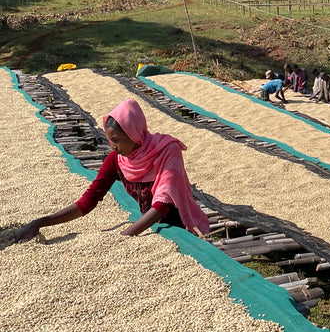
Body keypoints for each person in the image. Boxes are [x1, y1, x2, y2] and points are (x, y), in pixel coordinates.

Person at [11, 98, 211, 242]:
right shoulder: (117, 160)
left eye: (116, 140)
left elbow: (163, 204)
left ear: (134, 134)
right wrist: (40, 222)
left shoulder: (167, 151)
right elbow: (88, 201)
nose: (112, 146)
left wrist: (123, 237)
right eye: (109, 140)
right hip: (148, 227)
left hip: (181, 227)